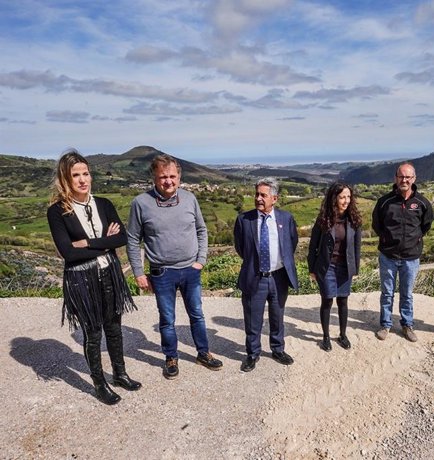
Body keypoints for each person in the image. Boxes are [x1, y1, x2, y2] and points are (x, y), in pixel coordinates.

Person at [47, 149, 140, 405]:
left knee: (114, 327)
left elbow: (121, 238)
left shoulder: (104, 204)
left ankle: (120, 374)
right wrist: (105, 243)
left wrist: (87, 242)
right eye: (75, 175)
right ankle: (99, 384)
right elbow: (68, 253)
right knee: (92, 332)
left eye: (85, 173)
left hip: (109, 273)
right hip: (81, 279)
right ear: (65, 179)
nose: (82, 180)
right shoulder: (57, 212)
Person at [126, 154, 222, 379]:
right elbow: (132, 239)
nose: (168, 181)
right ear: (154, 178)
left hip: (191, 269)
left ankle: (203, 353)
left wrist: (201, 260)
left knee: (197, 314)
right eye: (163, 177)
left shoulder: (190, 198)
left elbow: (201, 230)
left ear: (179, 177)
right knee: (167, 318)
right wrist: (139, 272)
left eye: (172, 176)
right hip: (162, 272)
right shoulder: (140, 203)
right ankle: (171, 357)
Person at [234, 178, 298, 372]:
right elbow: (241, 248)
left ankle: (277, 349)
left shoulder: (286, 219)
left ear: (274, 198)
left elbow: (291, 244)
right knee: (253, 318)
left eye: (263, 195)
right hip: (255, 276)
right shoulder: (244, 220)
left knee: (277, 316)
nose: (258, 199)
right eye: (257, 194)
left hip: (279, 277)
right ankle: (252, 353)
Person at [372, 162, 433, 342]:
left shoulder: (422, 203)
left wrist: (415, 239)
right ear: (395, 178)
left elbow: (426, 225)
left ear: (414, 179)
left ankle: (407, 325)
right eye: (401, 177)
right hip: (388, 255)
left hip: (411, 257)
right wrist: (385, 238)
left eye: (408, 177)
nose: (404, 180)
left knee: (407, 293)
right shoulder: (384, 202)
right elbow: (377, 225)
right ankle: (385, 324)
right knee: (387, 293)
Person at [307, 182, 362, 352]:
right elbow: (313, 246)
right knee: (328, 300)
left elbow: (357, 247)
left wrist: (355, 269)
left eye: (348, 196)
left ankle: (343, 334)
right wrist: (312, 269)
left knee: (343, 300)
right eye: (342, 197)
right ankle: (325, 337)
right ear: (334, 198)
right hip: (326, 267)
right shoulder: (323, 219)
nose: (346, 200)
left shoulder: (354, 219)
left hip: (345, 267)